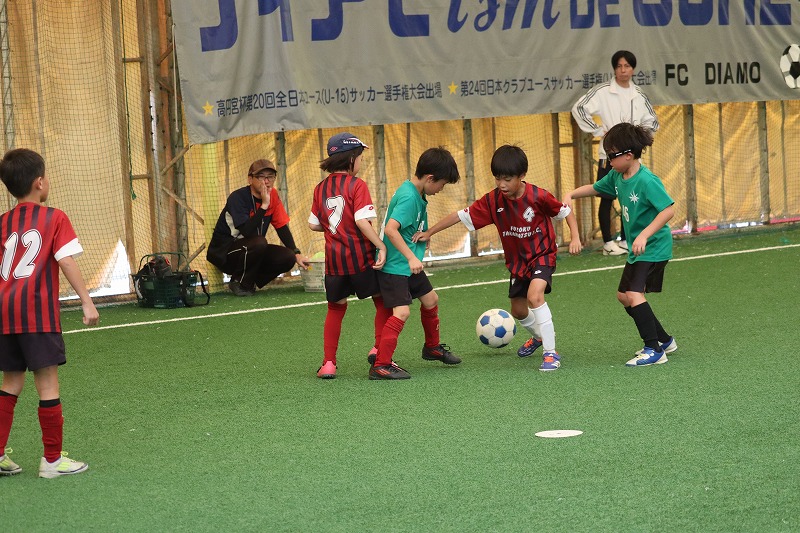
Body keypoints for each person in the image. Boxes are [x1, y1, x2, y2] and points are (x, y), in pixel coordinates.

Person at [417, 145, 582, 371]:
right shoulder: (493, 201)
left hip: (542, 255)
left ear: (522, 175)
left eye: (507, 179)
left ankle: (551, 353)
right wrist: (430, 232)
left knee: (535, 296)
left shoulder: (539, 196)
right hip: (518, 263)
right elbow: (459, 216)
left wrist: (575, 237)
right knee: (518, 311)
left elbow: (565, 212)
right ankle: (539, 337)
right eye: (497, 178)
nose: (501, 184)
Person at [0, 148, 99, 478]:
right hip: (37, 315)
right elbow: (66, 260)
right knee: (47, 386)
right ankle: (52, 462)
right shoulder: (54, 217)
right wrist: (86, 300)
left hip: (5, 314)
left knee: (11, 382)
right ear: (40, 182)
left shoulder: (2, 222)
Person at [563, 123, 677, 366]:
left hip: (654, 247)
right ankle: (664, 340)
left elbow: (668, 210)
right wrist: (570, 194)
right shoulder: (616, 176)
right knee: (624, 296)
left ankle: (654, 349)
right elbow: (594, 188)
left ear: (628, 155)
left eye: (611, 155)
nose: (608, 161)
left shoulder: (647, 180)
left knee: (634, 294)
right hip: (638, 249)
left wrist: (644, 235)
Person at [369, 147, 462, 380]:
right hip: (396, 267)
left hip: (407, 265)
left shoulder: (417, 193)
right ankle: (381, 365)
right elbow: (391, 229)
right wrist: (411, 257)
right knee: (401, 313)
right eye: (442, 184)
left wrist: (424, 235)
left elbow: (409, 226)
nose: (441, 189)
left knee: (431, 299)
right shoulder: (409, 196)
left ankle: (432, 347)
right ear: (430, 178)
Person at [308, 133, 389, 379]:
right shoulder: (357, 185)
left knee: (335, 308)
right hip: (361, 257)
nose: (361, 162)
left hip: (334, 263)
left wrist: (335, 227)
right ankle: (378, 349)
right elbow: (362, 222)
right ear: (351, 158)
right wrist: (381, 246)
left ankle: (328, 364)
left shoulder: (320, 188)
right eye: (361, 157)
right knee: (382, 301)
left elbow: (313, 224)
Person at [572, 50, 659, 256]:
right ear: (614, 69)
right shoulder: (603, 91)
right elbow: (579, 108)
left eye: (627, 66)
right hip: (609, 156)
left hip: (632, 157)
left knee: (632, 198)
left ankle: (627, 240)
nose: (623, 70)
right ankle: (608, 242)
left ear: (633, 69)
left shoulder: (639, 94)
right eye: (619, 66)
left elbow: (653, 121)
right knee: (606, 196)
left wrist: (639, 138)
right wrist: (598, 130)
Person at [206, 159, 310, 296]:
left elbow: (281, 227)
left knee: (288, 257)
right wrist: (264, 205)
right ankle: (238, 282)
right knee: (259, 242)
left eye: (270, 177)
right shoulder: (238, 197)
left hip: (252, 251)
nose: (266, 181)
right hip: (225, 254)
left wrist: (296, 252)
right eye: (261, 177)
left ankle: (249, 282)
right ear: (250, 179)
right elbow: (247, 231)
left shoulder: (273, 195)